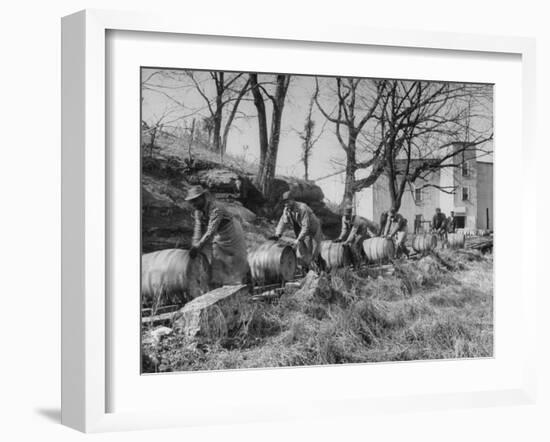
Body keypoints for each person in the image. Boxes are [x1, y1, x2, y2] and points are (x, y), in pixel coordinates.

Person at [186, 185, 249, 286]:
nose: (194, 204)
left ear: (203, 197)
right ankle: (220, 285)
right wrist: (194, 246)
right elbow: (198, 229)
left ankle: (240, 286)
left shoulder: (216, 208)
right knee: (217, 259)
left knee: (236, 260)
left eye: (196, 200)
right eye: (192, 202)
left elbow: (211, 230)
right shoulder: (198, 212)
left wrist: (198, 246)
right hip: (218, 235)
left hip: (232, 232)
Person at [270, 191, 325, 271]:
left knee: (313, 252)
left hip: (313, 229)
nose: (286, 204)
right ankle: (306, 267)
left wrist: (298, 240)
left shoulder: (302, 208)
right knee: (302, 251)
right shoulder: (286, 209)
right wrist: (278, 234)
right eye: (284, 202)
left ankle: (320, 268)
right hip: (301, 229)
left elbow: (306, 227)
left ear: (293, 200)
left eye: (288, 201)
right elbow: (282, 222)